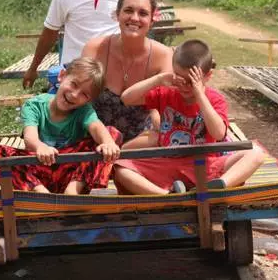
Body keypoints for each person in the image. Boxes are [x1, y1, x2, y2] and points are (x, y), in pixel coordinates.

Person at [113, 39, 265, 195]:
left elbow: (218, 133)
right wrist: (158, 79)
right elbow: (126, 98)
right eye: (180, 78)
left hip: (206, 166)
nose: (184, 86)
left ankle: (218, 187)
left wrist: (200, 94)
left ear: (207, 76)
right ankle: (166, 196)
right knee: (120, 167)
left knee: (256, 153)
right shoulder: (166, 93)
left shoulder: (215, 99)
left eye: (191, 81)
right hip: (168, 164)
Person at [0, 57, 121, 194]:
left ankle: (73, 190)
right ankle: (40, 193)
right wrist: (40, 147)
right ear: (62, 76)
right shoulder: (35, 105)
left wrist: (108, 143)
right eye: (74, 84)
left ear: (89, 100)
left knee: (111, 134)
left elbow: (97, 127)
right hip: (37, 170)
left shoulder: (84, 111)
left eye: (84, 94)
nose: (75, 94)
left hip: (70, 172)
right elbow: (30, 138)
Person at [82, 0, 173, 142]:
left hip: (140, 145)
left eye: (143, 13)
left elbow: (163, 110)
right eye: (128, 10)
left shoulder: (164, 56)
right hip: (94, 140)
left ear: (152, 20)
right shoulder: (95, 48)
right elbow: (80, 98)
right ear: (117, 14)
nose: (134, 18)